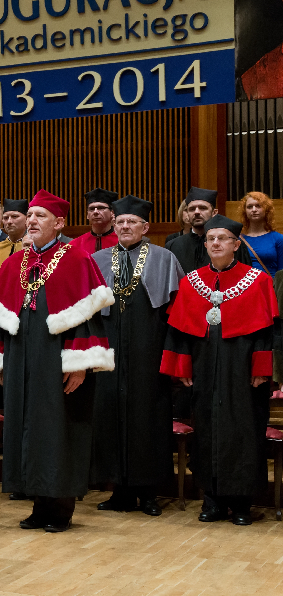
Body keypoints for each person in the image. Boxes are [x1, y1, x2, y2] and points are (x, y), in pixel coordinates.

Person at [0, 190, 115, 533]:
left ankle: (60, 508)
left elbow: (88, 319)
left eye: (40, 216)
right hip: (21, 360)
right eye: (30, 215)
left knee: (58, 431)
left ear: (59, 223)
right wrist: (0, 363)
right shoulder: (13, 264)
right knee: (27, 428)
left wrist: (80, 364)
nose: (32, 221)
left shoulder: (77, 259)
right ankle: (38, 504)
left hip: (58, 362)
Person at [161, 214, 276, 526]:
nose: (215, 243)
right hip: (204, 368)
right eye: (211, 239)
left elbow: (267, 332)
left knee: (243, 430)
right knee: (206, 428)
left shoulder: (258, 280)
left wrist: (262, 368)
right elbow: (179, 332)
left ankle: (241, 503)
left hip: (243, 370)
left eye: (222, 238)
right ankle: (211, 499)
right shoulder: (191, 282)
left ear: (236, 245)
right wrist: (182, 367)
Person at [90, 195, 184, 517]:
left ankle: (149, 494)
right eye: (120, 222)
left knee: (148, 418)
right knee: (110, 417)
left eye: (132, 222)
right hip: (110, 351)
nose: (125, 226)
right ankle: (119, 491)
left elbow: (175, 312)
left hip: (149, 351)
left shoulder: (164, 258)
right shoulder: (98, 259)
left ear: (145, 227)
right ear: (113, 225)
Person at [168, 187, 251, 273]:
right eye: (192, 209)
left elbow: (246, 275)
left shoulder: (231, 243)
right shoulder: (173, 246)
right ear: (188, 214)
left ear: (214, 213)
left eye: (202, 208)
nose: (196, 212)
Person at [239, 191, 283, 277]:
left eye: (258, 206)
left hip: (269, 284)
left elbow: (281, 272)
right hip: (245, 284)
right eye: (249, 207)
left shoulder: (278, 239)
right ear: (245, 211)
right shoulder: (237, 239)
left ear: (266, 209)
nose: (254, 210)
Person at [70, 188, 118, 254]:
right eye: (91, 209)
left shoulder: (122, 242)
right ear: (87, 215)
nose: (95, 212)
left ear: (112, 213)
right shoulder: (75, 244)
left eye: (101, 208)